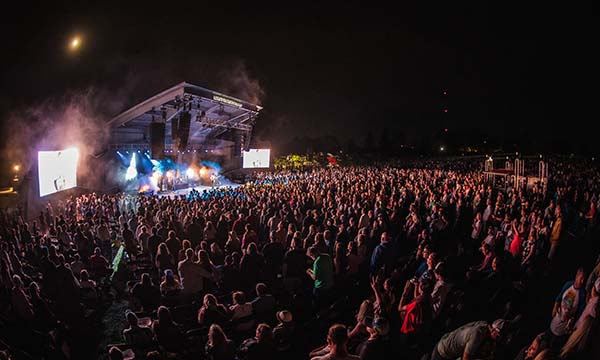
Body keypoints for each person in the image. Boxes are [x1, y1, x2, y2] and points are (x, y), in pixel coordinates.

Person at [431, 319, 505, 360]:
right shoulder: (477, 334)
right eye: (498, 336)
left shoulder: (484, 325)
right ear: (493, 331)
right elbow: (466, 358)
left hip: (447, 348)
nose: (498, 339)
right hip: (442, 352)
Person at [549, 268, 586, 346]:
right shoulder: (568, 284)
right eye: (581, 278)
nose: (582, 281)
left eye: (584, 279)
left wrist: (571, 322)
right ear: (577, 276)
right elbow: (559, 297)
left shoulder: (582, 294)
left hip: (564, 326)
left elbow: (579, 312)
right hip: (557, 318)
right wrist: (555, 307)